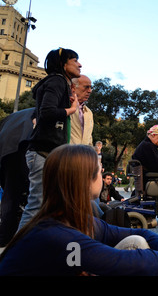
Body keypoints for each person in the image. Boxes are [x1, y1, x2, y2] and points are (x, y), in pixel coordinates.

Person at [0, 144, 158, 276]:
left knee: (136, 241)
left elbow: (138, 232)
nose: (103, 172)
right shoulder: (56, 234)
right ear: (84, 180)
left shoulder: (72, 218)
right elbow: (119, 261)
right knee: (136, 258)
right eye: (99, 168)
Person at [17, 48, 81, 230]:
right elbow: (47, 112)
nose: (80, 64)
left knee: (50, 206)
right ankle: (15, 252)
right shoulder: (56, 81)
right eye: (75, 60)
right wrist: (71, 110)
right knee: (36, 205)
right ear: (63, 64)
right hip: (42, 152)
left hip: (49, 153)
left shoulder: (60, 83)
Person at [0, 108, 34, 246]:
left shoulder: (15, 117)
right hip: (26, 148)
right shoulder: (47, 111)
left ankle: (4, 237)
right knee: (34, 195)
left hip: (7, 152)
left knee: (10, 194)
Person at [69, 75, 93, 145]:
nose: (90, 91)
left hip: (83, 155)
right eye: (86, 87)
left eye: (91, 87)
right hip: (65, 154)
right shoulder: (64, 106)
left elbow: (89, 139)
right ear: (73, 87)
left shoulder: (89, 112)